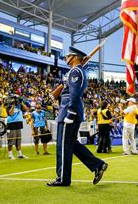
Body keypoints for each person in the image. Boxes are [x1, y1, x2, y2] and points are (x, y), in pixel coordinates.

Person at [47, 47, 108, 187]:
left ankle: (62, 178)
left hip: (69, 112)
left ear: (74, 57)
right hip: (69, 110)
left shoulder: (76, 72)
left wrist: (70, 113)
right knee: (71, 144)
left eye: (68, 56)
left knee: (62, 146)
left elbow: (74, 93)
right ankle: (98, 165)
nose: (66, 57)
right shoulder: (75, 71)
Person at [6, 95, 28, 160]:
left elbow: (26, 109)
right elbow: (10, 113)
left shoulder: (19, 106)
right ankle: (10, 155)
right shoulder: (8, 106)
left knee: (18, 141)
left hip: (18, 124)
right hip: (11, 125)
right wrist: (12, 105)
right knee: (11, 141)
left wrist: (21, 102)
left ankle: (20, 154)